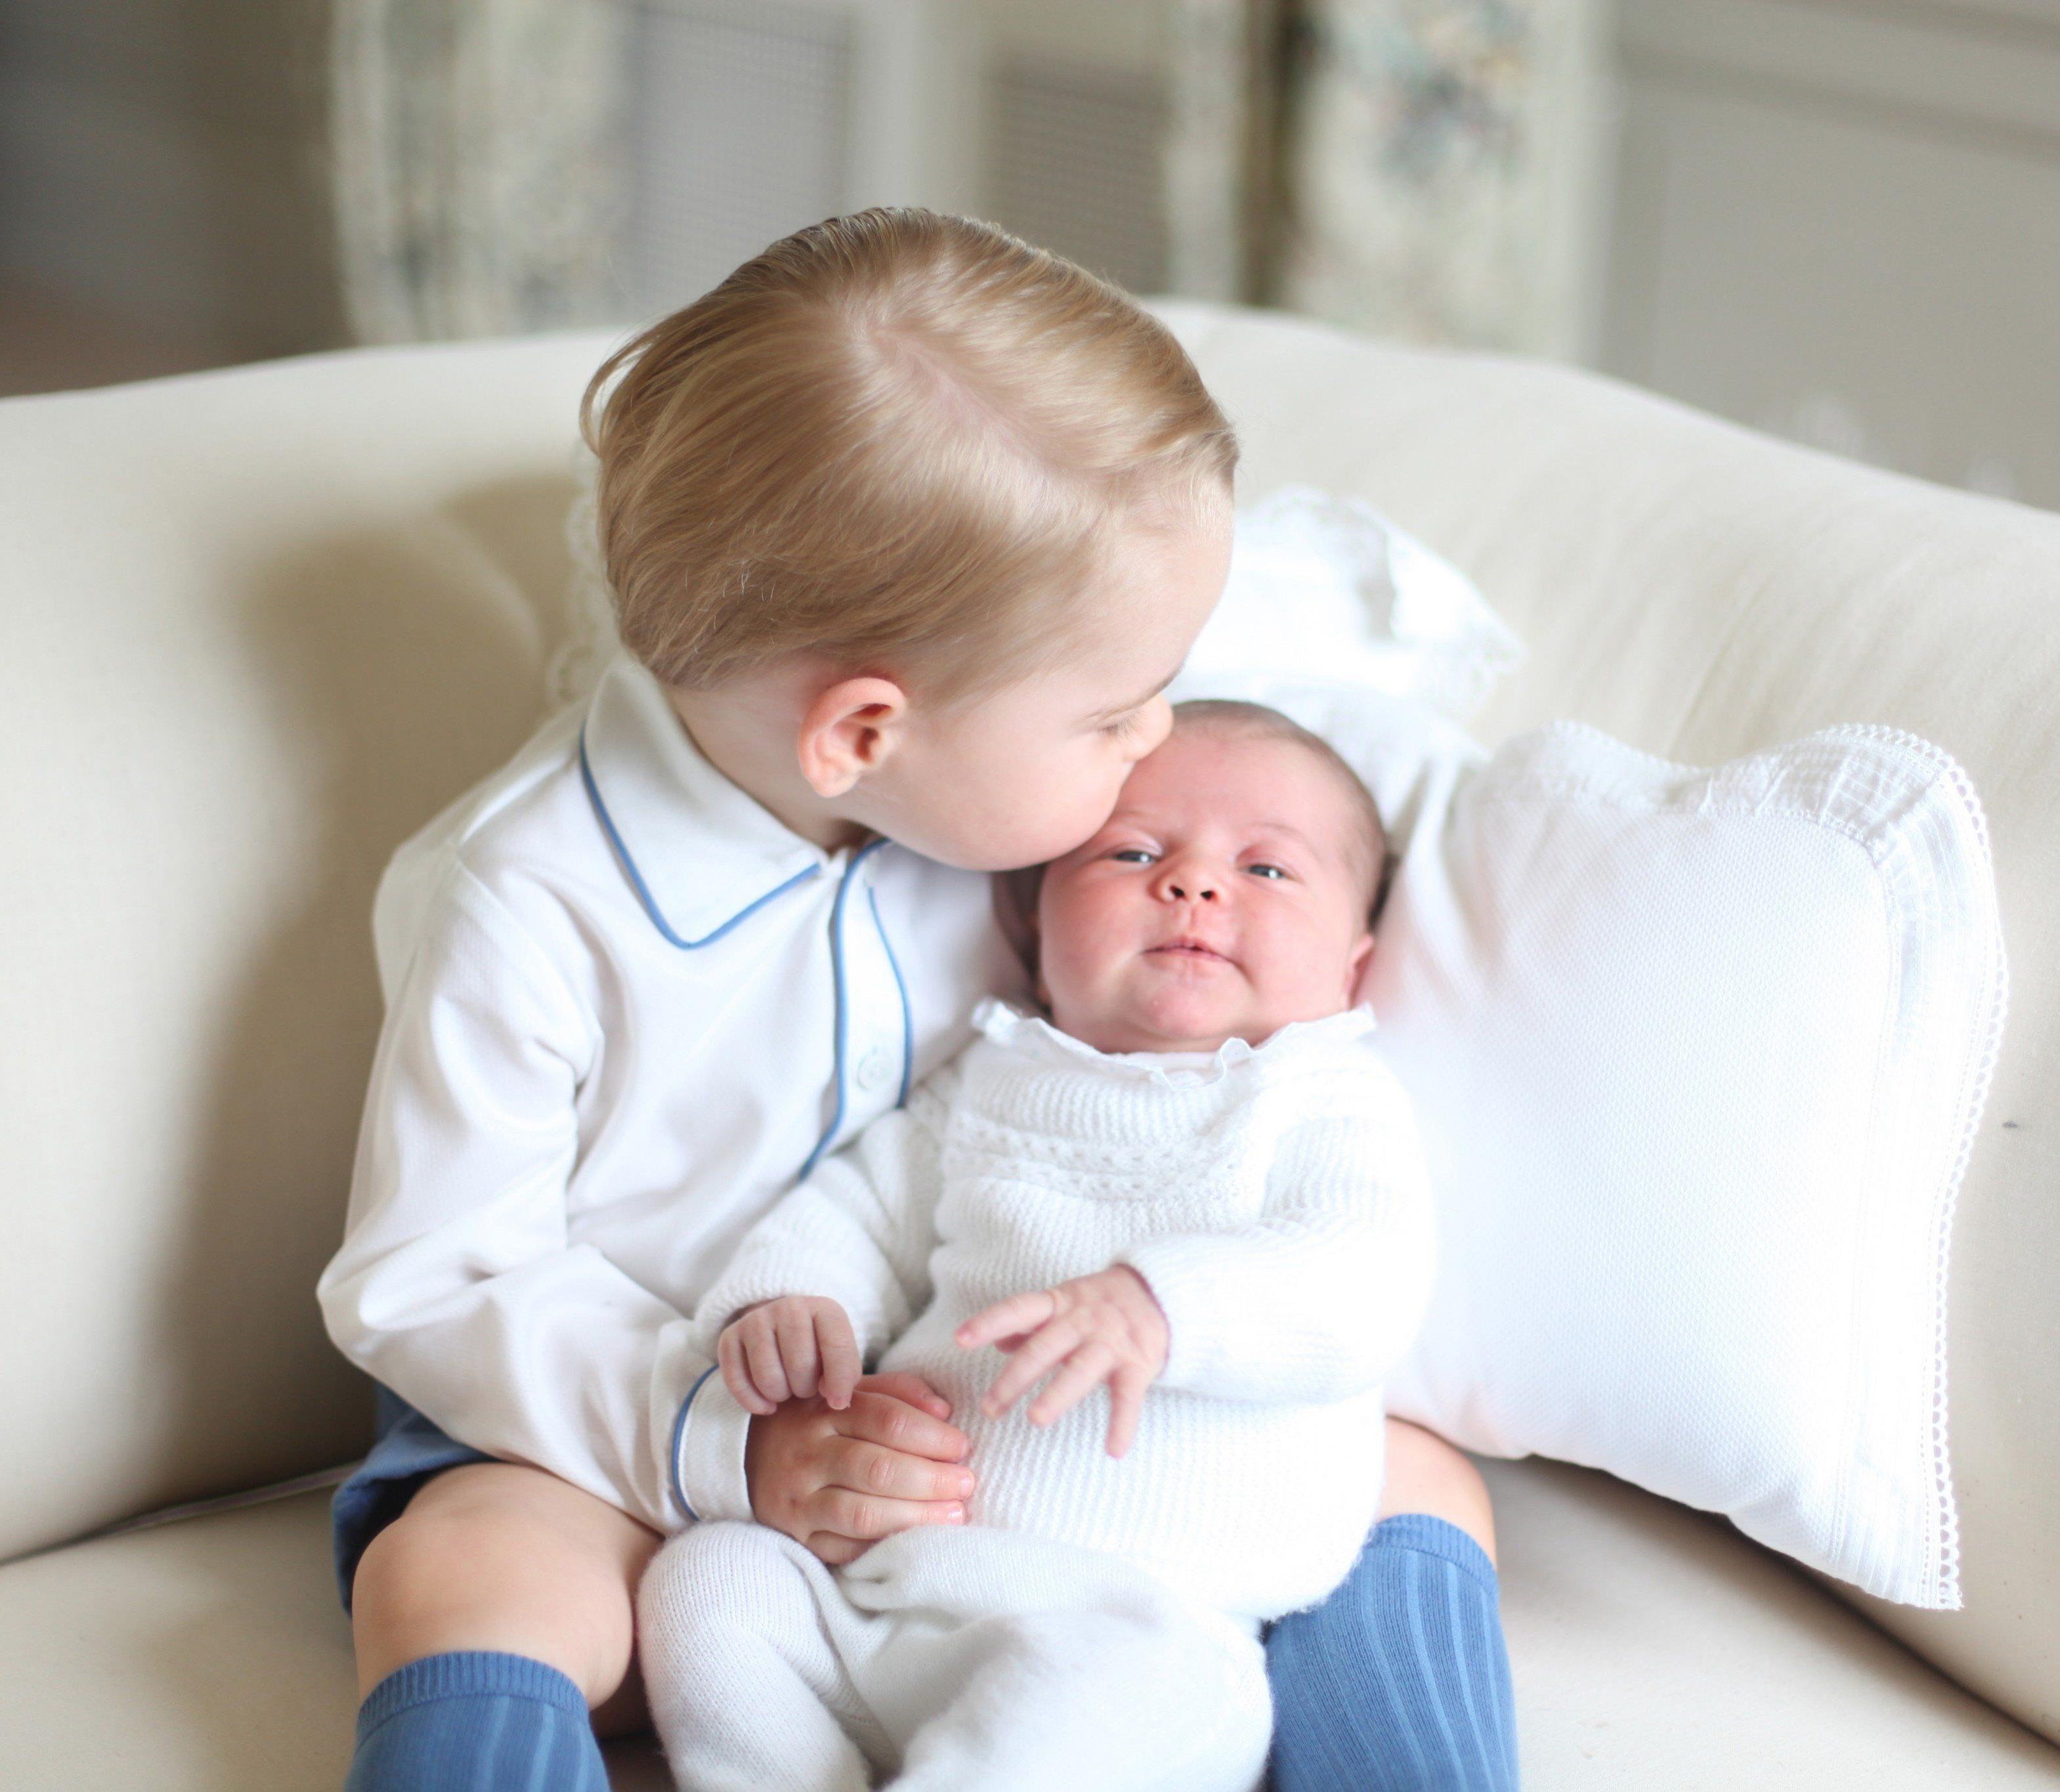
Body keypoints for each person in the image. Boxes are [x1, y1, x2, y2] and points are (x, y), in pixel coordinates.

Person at [318, 209, 1515, 1792]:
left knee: (1414, 1472)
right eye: (1113, 713)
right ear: (864, 733)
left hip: (1020, 1438)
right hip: (631, 1439)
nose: (1151, 736)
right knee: (461, 1564)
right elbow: (426, 1281)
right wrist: (728, 1441)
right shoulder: (528, 901)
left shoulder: (1004, 798)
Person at [640, 701, 1432, 1791]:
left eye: (1269, 870)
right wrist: (788, 1299)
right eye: (1135, 851)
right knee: (712, 1579)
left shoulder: (1321, 1096)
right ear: (1035, 919)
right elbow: (864, 1206)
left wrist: (1164, 1305)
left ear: (1352, 965)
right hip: (887, 1591)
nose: (1195, 885)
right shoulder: (995, 1075)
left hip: (1142, 1625)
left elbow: (1365, 1280)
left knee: (1110, 1702)